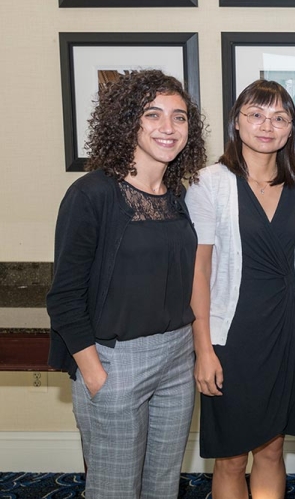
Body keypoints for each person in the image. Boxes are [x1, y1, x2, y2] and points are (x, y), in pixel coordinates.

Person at [46, 69, 207, 498]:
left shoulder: (178, 195)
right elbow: (63, 296)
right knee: (114, 489)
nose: (168, 128)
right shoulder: (92, 194)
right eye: (152, 115)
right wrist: (95, 374)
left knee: (161, 487)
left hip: (176, 359)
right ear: (127, 122)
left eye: (179, 117)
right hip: (115, 363)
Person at [185, 80, 295, 499]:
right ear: (237, 122)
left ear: (291, 128)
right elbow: (199, 272)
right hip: (233, 333)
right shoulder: (209, 183)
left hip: (285, 330)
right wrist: (203, 348)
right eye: (256, 114)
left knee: (272, 447)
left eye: (280, 117)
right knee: (229, 456)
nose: (268, 125)